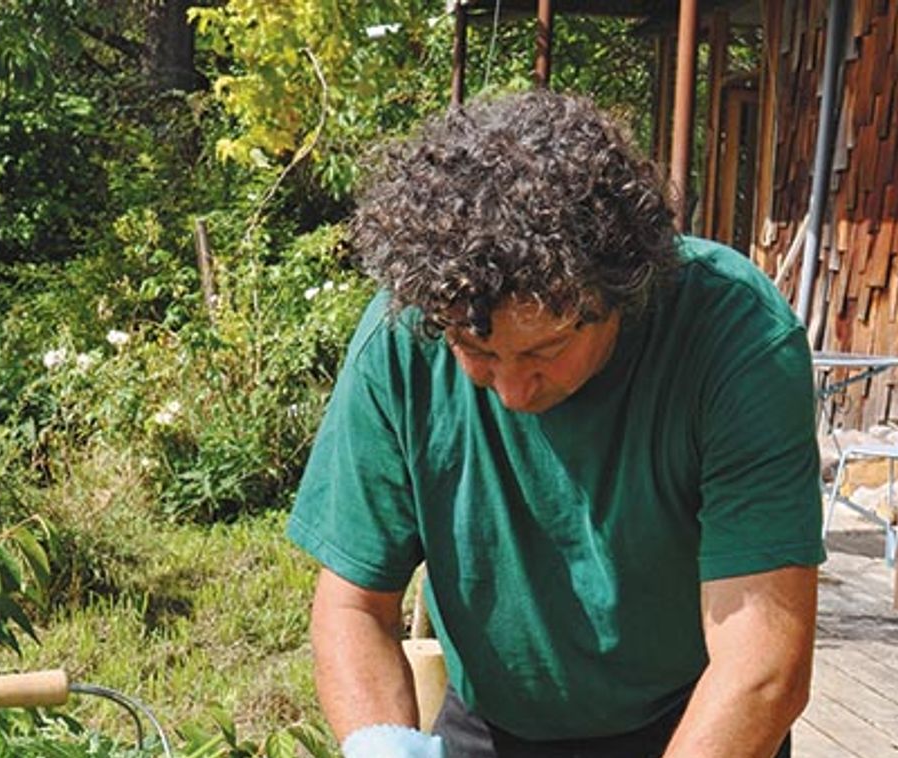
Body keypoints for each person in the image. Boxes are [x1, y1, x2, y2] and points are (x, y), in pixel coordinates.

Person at [287, 90, 824, 758]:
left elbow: (761, 664)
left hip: (700, 718)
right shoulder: (401, 340)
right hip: (491, 725)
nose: (510, 391)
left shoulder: (733, 337)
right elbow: (354, 607)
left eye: (544, 350)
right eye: (477, 352)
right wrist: (381, 745)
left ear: (624, 294)